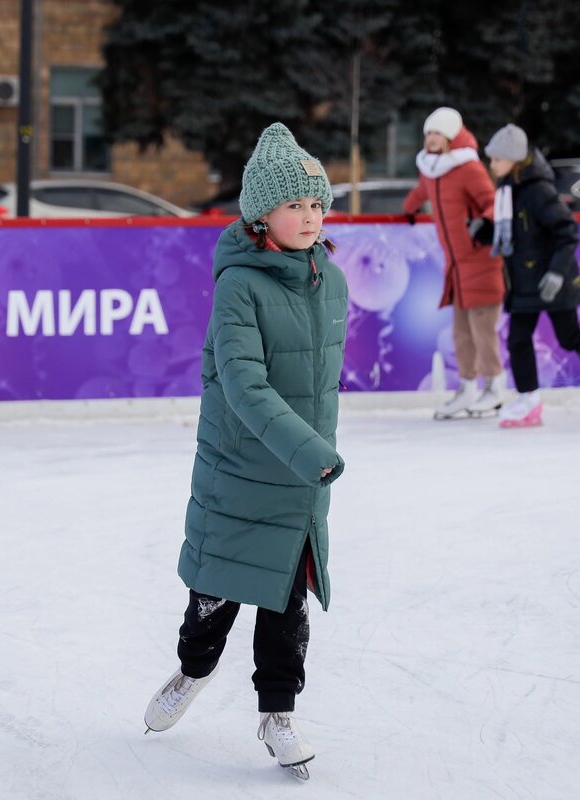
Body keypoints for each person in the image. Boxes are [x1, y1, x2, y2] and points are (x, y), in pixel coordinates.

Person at [143, 122, 348, 781]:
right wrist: (306, 448)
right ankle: (191, 671)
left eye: (318, 204)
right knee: (217, 594)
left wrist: (312, 454)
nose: (311, 216)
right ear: (263, 214)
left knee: (287, 605)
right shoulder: (239, 284)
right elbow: (242, 382)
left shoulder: (332, 282)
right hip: (242, 466)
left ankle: (278, 713)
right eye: (296, 205)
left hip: (300, 474)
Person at [483, 123, 580, 428]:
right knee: (519, 339)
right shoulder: (510, 189)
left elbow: (567, 231)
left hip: (551, 279)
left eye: (497, 159)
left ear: (515, 159)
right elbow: (517, 233)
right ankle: (529, 400)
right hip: (526, 279)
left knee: (567, 336)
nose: (492, 165)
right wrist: (485, 231)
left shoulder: (537, 191)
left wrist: (556, 273)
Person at [402, 106, 507, 420]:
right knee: (460, 332)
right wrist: (409, 207)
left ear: (450, 137)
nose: (431, 139)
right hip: (457, 264)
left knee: (482, 330)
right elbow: (424, 190)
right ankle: (467, 389)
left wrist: (484, 225)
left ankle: (494, 389)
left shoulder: (469, 168)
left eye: (438, 133)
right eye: (428, 133)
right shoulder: (431, 168)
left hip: (480, 259)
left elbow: (492, 203)